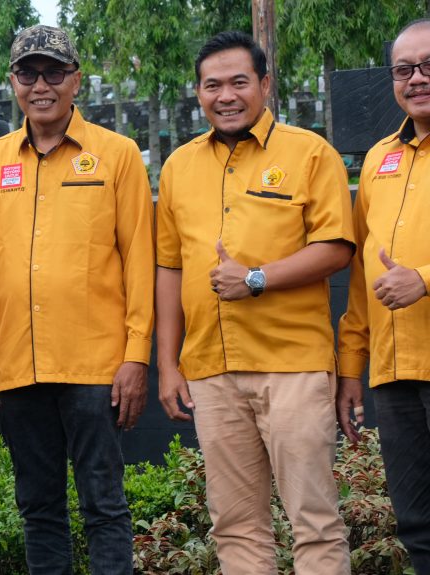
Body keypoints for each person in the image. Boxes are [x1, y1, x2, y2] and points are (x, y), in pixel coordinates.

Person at [0, 25, 154, 574]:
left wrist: (137, 355)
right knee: (38, 509)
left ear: (76, 80)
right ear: (12, 81)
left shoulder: (117, 156)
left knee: (104, 504)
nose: (40, 86)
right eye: (28, 73)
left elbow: (139, 261)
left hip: (96, 367)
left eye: (53, 73)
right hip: (18, 367)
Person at [155, 31, 353, 574]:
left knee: (313, 520)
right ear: (199, 93)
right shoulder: (178, 167)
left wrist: (257, 278)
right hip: (210, 370)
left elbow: (336, 247)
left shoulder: (310, 153)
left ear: (265, 85)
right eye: (212, 85)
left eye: (239, 82)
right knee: (236, 525)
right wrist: (167, 364)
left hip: (292, 366)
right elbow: (170, 267)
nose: (226, 95)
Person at [337, 18, 430, 574]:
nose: (416, 78)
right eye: (403, 69)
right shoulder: (377, 160)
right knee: (417, 524)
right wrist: (351, 368)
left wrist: (425, 278)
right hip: (394, 373)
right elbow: (358, 275)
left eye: (429, 66)